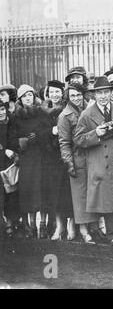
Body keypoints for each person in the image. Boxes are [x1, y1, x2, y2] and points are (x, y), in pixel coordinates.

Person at [74, 76, 113, 248]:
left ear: (111, 93)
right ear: (94, 95)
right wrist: (96, 133)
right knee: (107, 198)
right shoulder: (87, 114)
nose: (104, 96)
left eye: (106, 92)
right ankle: (112, 235)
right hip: (100, 160)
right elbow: (78, 139)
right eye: (100, 93)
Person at [58, 83, 99, 244]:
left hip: (93, 156)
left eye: (79, 94)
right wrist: (69, 162)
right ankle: (82, 228)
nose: (76, 98)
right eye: (73, 95)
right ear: (68, 96)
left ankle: (94, 225)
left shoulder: (90, 110)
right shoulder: (65, 116)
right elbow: (64, 142)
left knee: (93, 192)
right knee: (80, 196)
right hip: (77, 158)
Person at [9, 85, 48, 239]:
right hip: (26, 159)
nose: (28, 98)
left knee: (42, 192)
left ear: (34, 97)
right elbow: (11, 140)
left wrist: (38, 136)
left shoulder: (40, 112)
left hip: (41, 157)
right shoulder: (15, 117)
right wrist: (23, 141)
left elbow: (49, 130)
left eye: (30, 95)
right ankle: (31, 225)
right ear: (19, 99)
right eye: (24, 96)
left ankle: (43, 225)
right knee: (29, 193)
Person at [41, 80, 75, 241]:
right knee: (56, 194)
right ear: (48, 94)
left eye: (58, 92)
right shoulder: (42, 111)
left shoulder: (68, 109)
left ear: (63, 93)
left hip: (68, 155)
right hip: (51, 157)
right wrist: (51, 131)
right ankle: (59, 226)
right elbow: (38, 133)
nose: (55, 95)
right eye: (52, 92)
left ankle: (71, 225)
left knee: (70, 193)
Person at [0, 100, 19, 239]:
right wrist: (3, 150)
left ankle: (11, 223)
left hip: (11, 163)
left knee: (11, 194)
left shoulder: (12, 122)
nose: (0, 113)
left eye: (2, 109)